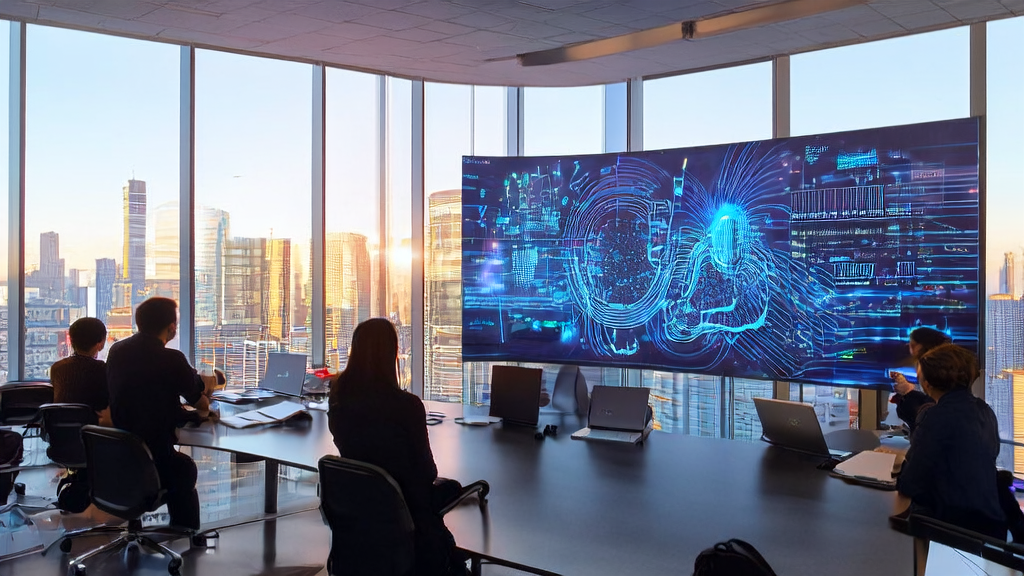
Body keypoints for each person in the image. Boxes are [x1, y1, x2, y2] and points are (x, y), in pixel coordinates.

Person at [328, 318, 466, 576]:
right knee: (452, 489)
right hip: (408, 517)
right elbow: (428, 473)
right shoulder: (407, 406)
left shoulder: (338, 397)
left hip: (362, 517)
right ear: (391, 354)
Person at [106, 297, 216, 531]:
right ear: (172, 328)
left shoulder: (117, 351)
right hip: (153, 458)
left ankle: (178, 534)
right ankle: (187, 535)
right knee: (184, 468)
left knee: (176, 464)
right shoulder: (171, 359)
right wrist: (207, 394)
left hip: (117, 456)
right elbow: (200, 403)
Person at [895, 344, 1007, 539]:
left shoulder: (935, 417)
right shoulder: (984, 410)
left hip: (950, 530)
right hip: (991, 530)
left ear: (928, 383)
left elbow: (909, 485)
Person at [50, 317, 111, 425]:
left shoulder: (57, 368)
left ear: (72, 341)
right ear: (100, 343)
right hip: (93, 431)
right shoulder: (103, 369)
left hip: (60, 430)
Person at [890, 327, 952, 433]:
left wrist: (909, 392)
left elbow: (931, 417)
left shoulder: (934, 370)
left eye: (911, 343)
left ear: (918, 346)